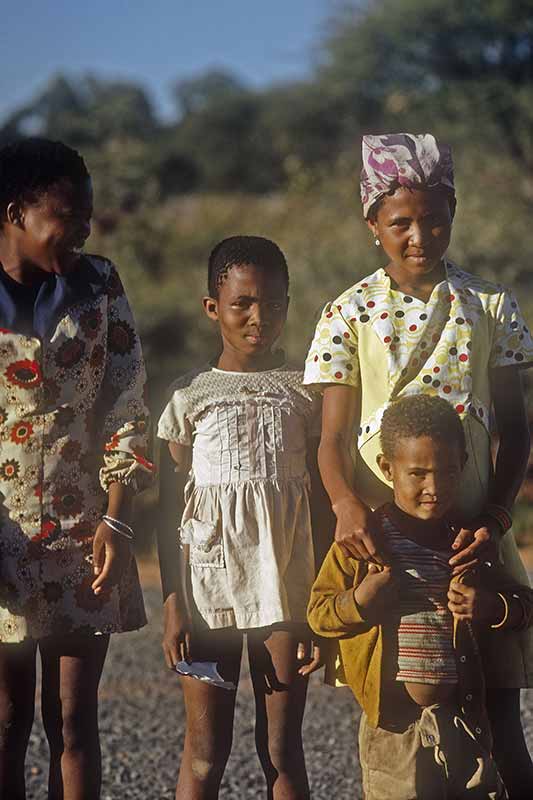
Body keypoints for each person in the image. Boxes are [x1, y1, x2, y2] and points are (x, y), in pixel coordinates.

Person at [303, 132, 533, 798]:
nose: (418, 235)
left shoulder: (490, 307)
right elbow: (332, 438)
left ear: (452, 214)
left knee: (500, 721)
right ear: (371, 223)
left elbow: (515, 430)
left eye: (434, 219)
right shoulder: (346, 314)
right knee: (401, 722)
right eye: (399, 221)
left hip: (473, 544)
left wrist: (492, 515)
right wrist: (347, 504)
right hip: (389, 550)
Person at [0, 138, 152, 800]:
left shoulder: (98, 284)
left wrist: (117, 523)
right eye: (67, 215)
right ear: (14, 211)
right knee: (5, 722)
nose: (83, 230)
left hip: (84, 537)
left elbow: (127, 405)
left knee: (73, 723)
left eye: (88, 217)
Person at [157, 235, 330, 800]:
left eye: (275, 304)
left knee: (283, 753)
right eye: (242, 304)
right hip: (207, 595)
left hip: (288, 592)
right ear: (213, 307)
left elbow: (324, 502)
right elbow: (169, 509)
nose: (260, 318)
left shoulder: (307, 390)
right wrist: (173, 602)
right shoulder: (189, 397)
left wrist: (323, 605)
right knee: (206, 754)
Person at [308, 394, 533, 798]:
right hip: (394, 735)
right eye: (418, 474)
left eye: (447, 472)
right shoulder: (364, 543)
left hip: (464, 725)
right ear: (386, 469)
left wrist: (490, 607)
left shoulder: (466, 544)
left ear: (463, 466)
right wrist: (360, 601)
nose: (434, 487)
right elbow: (320, 613)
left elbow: (525, 607)